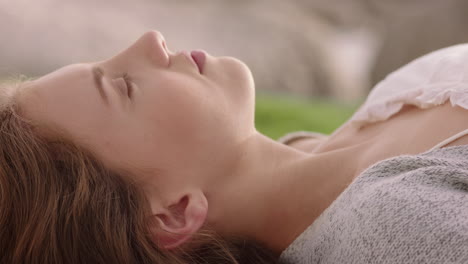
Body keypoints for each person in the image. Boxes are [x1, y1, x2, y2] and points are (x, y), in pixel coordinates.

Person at [0, 30, 467, 264]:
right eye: (123, 87)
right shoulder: (397, 226)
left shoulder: (322, 148)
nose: (150, 41)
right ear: (175, 213)